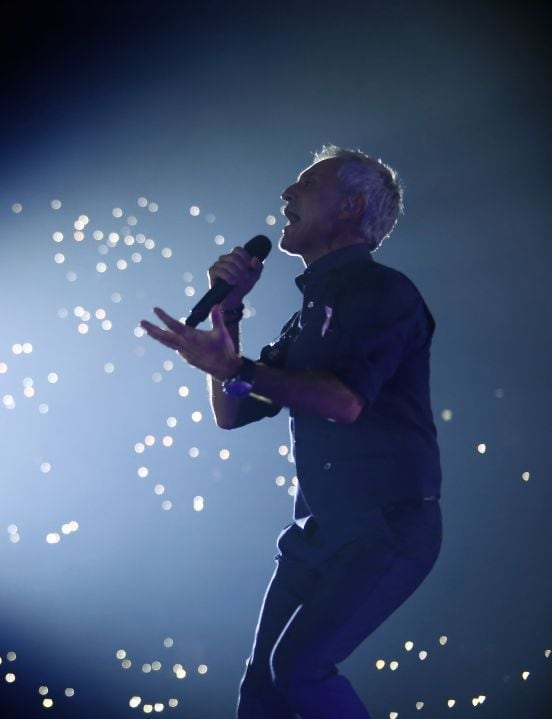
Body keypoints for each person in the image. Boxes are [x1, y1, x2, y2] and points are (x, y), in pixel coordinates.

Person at [140, 146, 441, 718]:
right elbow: (235, 411)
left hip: (387, 528)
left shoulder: (384, 294)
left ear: (351, 207)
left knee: (300, 669)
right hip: (316, 532)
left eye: (306, 185)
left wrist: (236, 368)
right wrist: (229, 317)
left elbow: (345, 403)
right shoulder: (306, 314)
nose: (285, 195)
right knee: (262, 695)